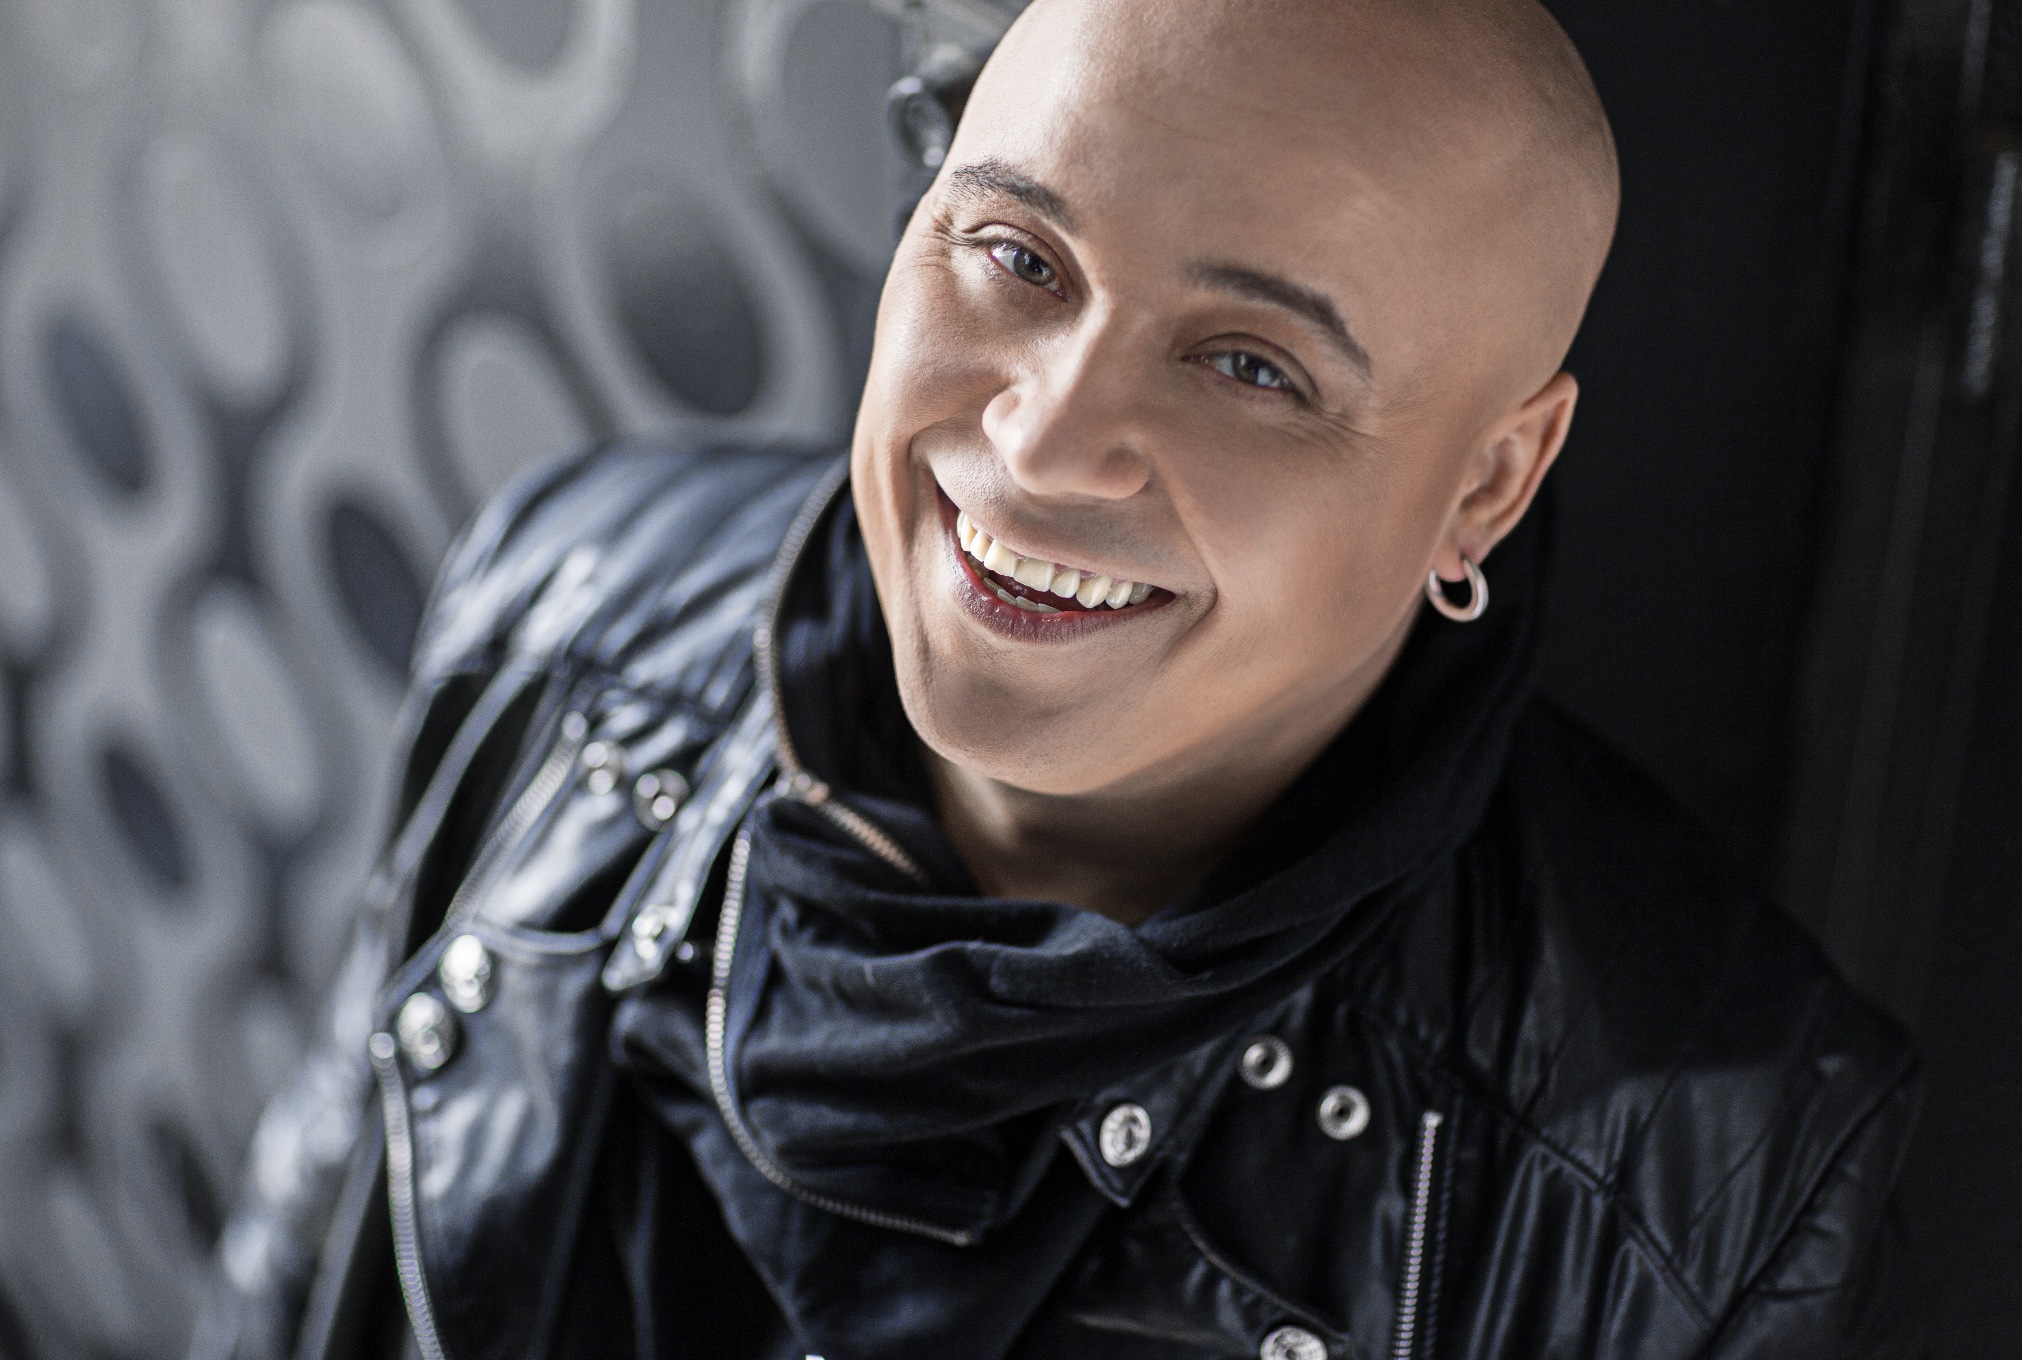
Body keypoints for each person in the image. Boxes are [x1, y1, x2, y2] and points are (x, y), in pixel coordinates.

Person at [201, 0, 1923, 1356]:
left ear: (1485, 484)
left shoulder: (1712, 1178)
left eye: (1248, 366)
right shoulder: (570, 597)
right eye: (1019, 259)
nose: (1041, 446)